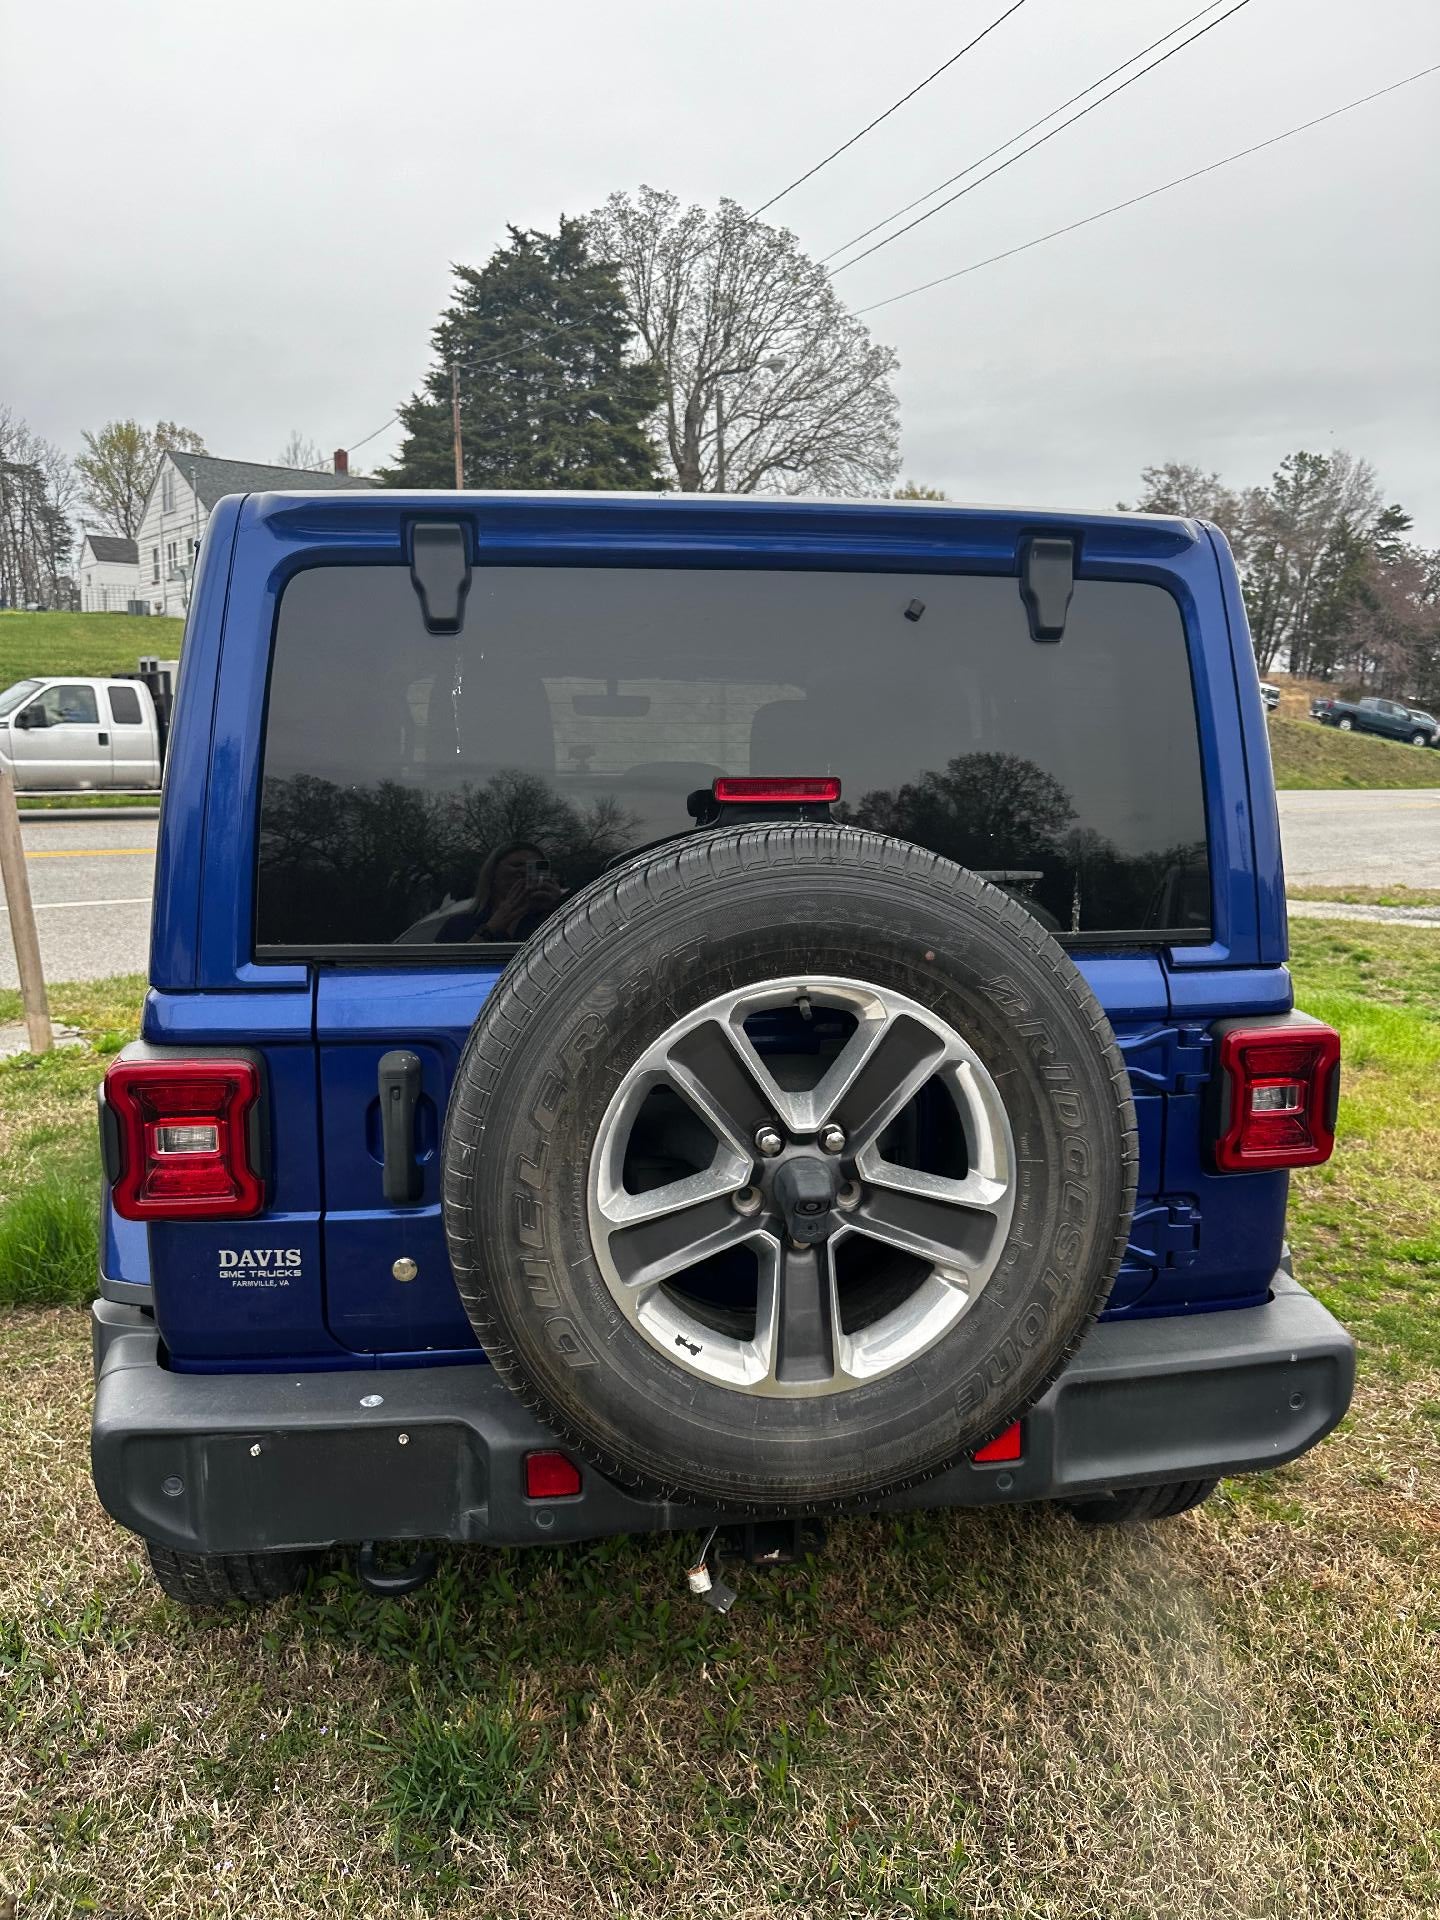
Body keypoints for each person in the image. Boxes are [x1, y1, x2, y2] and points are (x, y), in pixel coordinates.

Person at [437, 841, 566, 943]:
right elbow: (451, 971)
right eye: (517, 865)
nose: (525, 872)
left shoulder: (551, 921)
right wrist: (491, 928)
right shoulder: (460, 925)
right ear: (493, 875)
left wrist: (563, 909)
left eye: (535, 868)